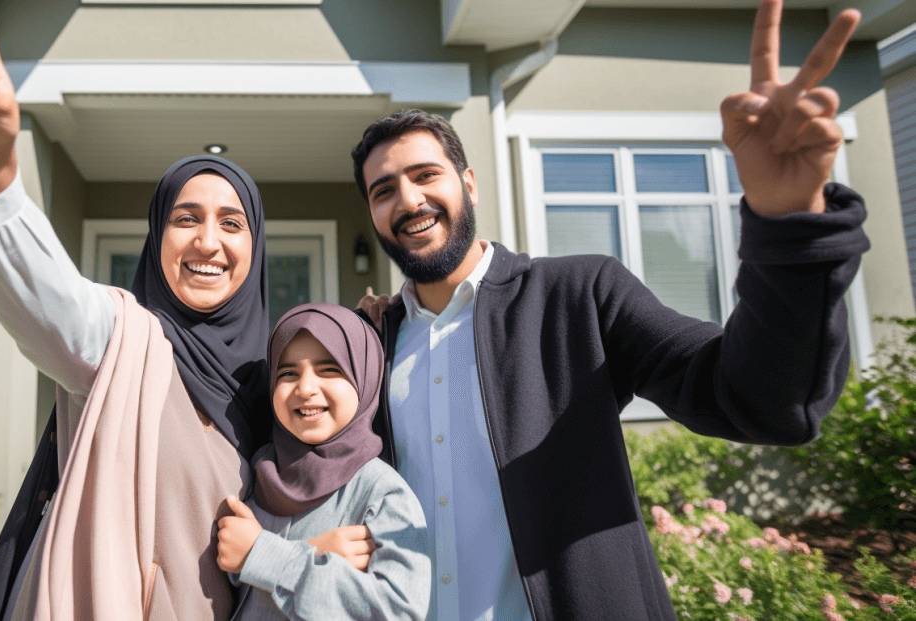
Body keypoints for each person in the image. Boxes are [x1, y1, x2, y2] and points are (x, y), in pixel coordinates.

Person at [352, 2, 870, 620]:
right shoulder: (368, 344)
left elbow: (755, 398)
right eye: (384, 190)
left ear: (468, 184)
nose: (408, 200)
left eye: (424, 175)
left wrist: (790, 225)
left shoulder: (578, 296)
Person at [0, 2, 373, 620]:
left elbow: (259, 551)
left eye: (231, 224)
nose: (209, 242)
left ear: (254, 250)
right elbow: (42, 294)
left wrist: (305, 555)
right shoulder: (119, 340)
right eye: (186, 219)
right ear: (157, 240)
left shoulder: (275, 388)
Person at [216, 303, 431, 621]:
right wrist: (315, 551)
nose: (305, 388)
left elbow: (397, 610)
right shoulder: (255, 475)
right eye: (288, 373)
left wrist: (266, 556)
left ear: (364, 379)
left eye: (329, 369)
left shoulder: (382, 493)